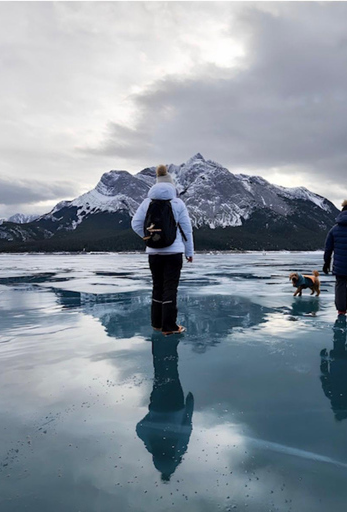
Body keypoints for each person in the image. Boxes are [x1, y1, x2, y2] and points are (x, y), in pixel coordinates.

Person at [131, 164, 195, 335]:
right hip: (174, 253)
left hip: (153, 253)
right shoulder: (178, 203)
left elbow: (135, 224)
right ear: (171, 185)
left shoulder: (146, 203)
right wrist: (189, 252)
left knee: (157, 287)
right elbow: (186, 230)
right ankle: (170, 326)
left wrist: (149, 238)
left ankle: (156, 323)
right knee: (170, 288)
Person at [136, 334, 194, 481]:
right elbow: (140, 428)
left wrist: (190, 403)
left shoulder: (178, 447)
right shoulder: (151, 445)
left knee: (172, 372)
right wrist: (151, 416)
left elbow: (187, 425)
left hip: (176, 406)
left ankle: (169, 344)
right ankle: (158, 344)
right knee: (160, 374)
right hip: (157, 406)